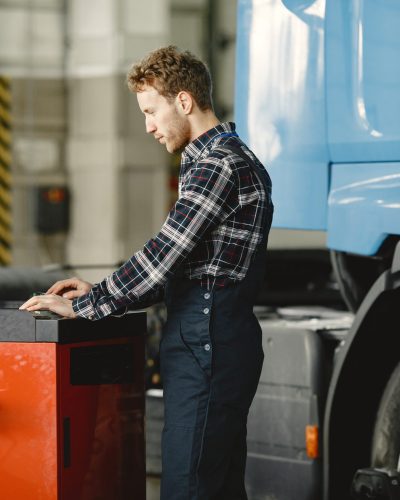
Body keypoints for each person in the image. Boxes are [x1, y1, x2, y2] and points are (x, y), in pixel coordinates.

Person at [20, 45, 274, 500]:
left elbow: (162, 257)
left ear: (183, 101)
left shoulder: (219, 164)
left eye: (151, 111)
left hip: (208, 342)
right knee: (216, 487)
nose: (148, 126)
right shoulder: (211, 160)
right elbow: (186, 266)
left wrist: (88, 306)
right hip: (210, 337)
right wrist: (99, 290)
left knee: (188, 488)